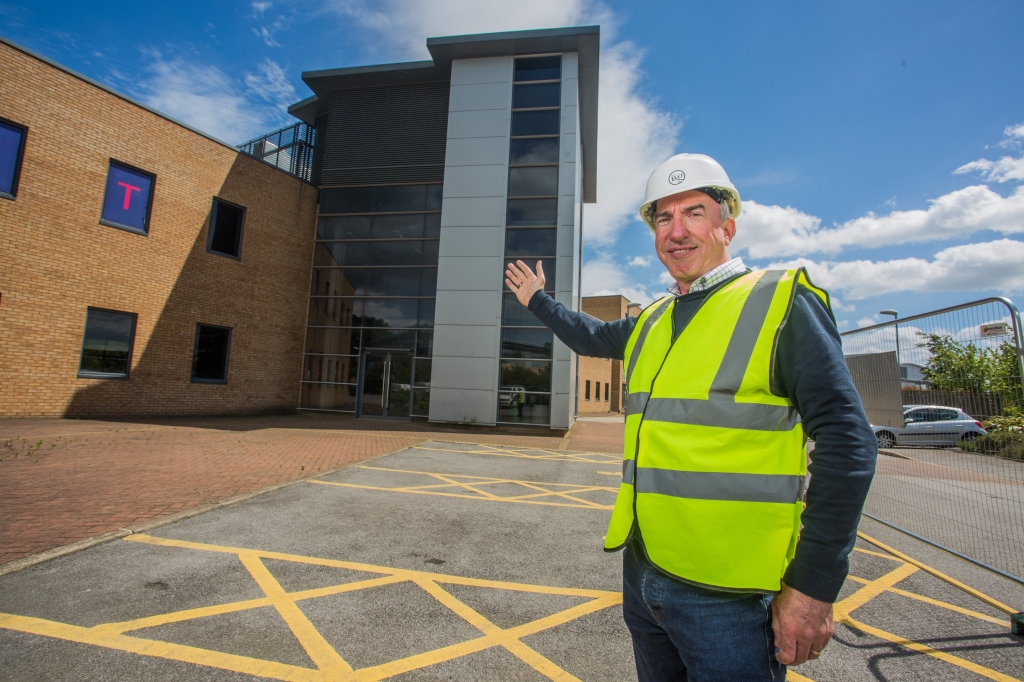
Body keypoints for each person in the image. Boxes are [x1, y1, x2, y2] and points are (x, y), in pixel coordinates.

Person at [505, 153, 876, 681]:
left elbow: (849, 444)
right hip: (645, 570)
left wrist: (814, 586)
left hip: (730, 596)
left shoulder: (780, 302)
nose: (676, 231)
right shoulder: (653, 318)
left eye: (694, 213)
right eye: (663, 218)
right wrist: (537, 300)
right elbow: (588, 334)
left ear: (728, 225)